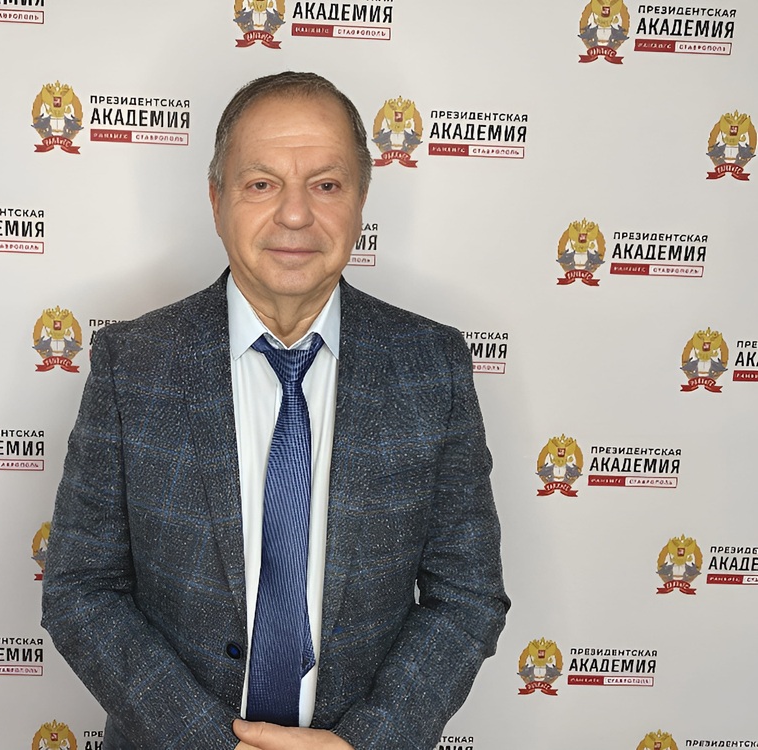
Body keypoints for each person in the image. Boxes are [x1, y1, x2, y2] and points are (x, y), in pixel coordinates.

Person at [42, 71, 509, 750]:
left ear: (361, 199)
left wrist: (365, 743)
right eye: (261, 184)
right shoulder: (133, 364)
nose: (295, 215)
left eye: (327, 185)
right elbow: (81, 589)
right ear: (216, 200)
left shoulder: (431, 366)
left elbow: (466, 596)